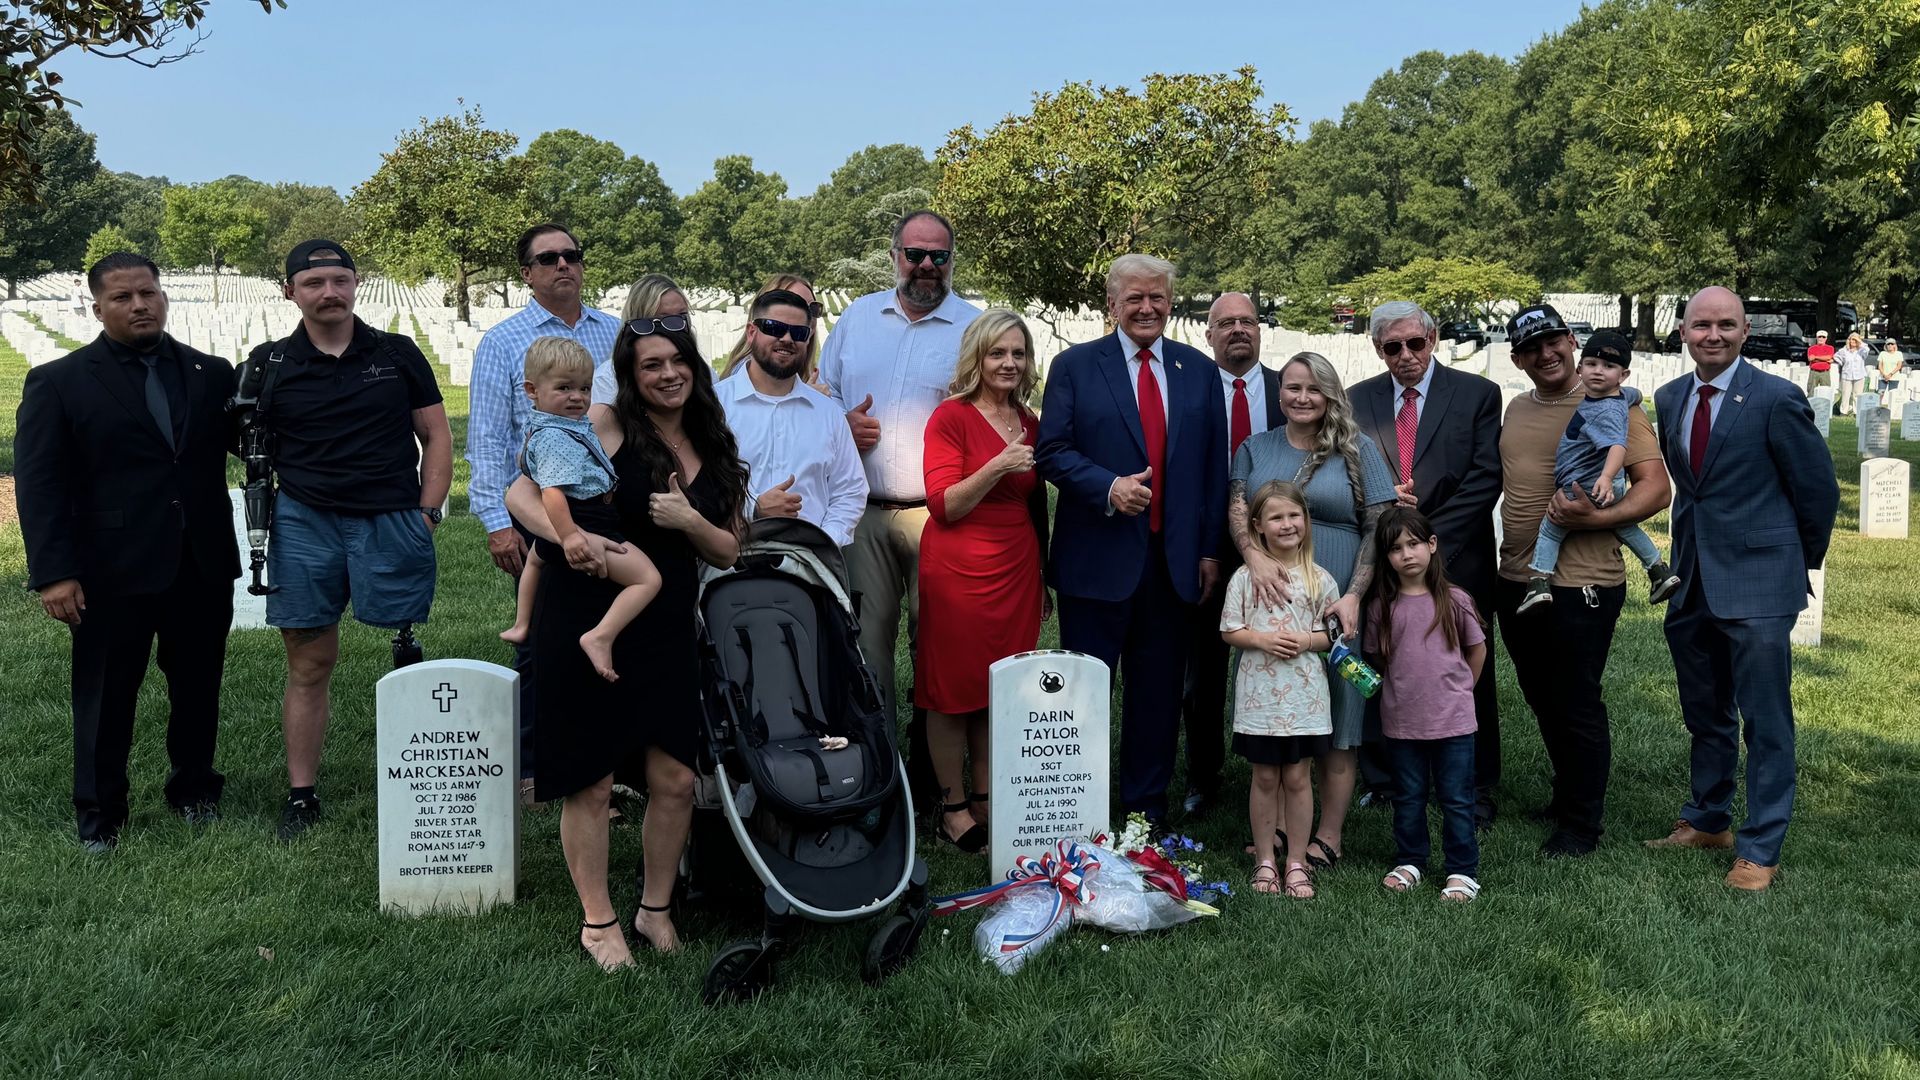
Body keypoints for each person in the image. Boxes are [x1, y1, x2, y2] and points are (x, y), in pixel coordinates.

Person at [505, 318, 746, 969]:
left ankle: (655, 908)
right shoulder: (607, 423)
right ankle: (597, 920)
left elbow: (728, 549)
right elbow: (521, 491)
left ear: (693, 366)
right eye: (650, 365)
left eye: (677, 360)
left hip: (663, 621)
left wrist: (690, 518)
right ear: (631, 376)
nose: (667, 373)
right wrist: (567, 541)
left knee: (672, 776)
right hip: (584, 608)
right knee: (591, 776)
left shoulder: (716, 447)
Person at [16, 252, 240, 852]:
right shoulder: (60, 382)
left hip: (200, 560)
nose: (140, 305)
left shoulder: (210, 372)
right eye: (122, 297)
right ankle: (100, 812)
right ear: (97, 308)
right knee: (106, 692)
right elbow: (39, 486)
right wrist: (54, 573)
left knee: (197, 685)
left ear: (164, 297)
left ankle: (194, 789)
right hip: (109, 568)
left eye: (148, 293)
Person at [248, 239, 452, 840]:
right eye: (314, 284)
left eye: (340, 280)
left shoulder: (396, 353)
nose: (328, 293)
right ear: (290, 292)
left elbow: (435, 434)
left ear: (356, 284)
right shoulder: (269, 364)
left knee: (406, 646)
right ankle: (302, 793)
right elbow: (246, 443)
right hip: (304, 521)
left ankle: (421, 774)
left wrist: (429, 509)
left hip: (390, 515)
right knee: (309, 661)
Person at [1645, 286, 1838, 892]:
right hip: (1692, 580)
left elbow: (1818, 493)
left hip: (1760, 583)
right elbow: (1690, 488)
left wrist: (1791, 564)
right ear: (1683, 332)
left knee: (1766, 720)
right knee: (1704, 711)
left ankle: (1759, 847)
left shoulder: (1777, 398)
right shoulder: (1671, 395)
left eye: (1726, 325)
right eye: (1702, 325)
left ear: (1745, 331)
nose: (1714, 335)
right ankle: (1708, 819)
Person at [1038, 253, 1227, 823]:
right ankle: (1081, 808)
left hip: (1173, 564)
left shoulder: (1196, 370)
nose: (1147, 308)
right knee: (1085, 696)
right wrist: (1108, 485)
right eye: (1134, 298)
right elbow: (1052, 450)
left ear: (1171, 302)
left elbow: (1213, 470)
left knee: (1158, 696)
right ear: (1112, 304)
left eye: (1158, 297)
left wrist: (1210, 549)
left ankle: (1145, 810)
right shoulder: (1074, 366)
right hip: (1096, 558)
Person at [817, 210, 981, 808]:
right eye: (915, 254)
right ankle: (882, 776)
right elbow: (822, 393)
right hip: (862, 509)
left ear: (951, 260)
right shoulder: (858, 318)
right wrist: (841, 421)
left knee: (938, 648)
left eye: (939, 256)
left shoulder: (972, 326)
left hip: (941, 516)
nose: (926, 267)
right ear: (894, 256)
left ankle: (939, 780)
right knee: (869, 646)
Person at [1495, 303, 1671, 858]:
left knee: (1575, 700)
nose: (1546, 354)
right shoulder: (1517, 410)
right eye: (1531, 348)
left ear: (1572, 342)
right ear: (1518, 358)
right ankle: (1565, 791)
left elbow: (1655, 489)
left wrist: (1594, 519)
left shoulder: (1614, 404)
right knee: (1540, 695)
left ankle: (1581, 825)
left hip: (1585, 583)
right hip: (1520, 576)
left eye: (1554, 341)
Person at [467, 224, 622, 793]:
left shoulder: (615, 333)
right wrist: (497, 524)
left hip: (609, 512)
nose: (563, 265)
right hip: (540, 513)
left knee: (613, 635)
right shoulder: (504, 343)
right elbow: (485, 439)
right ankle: (538, 764)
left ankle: (612, 762)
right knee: (546, 646)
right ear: (527, 273)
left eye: (572, 256)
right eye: (548, 258)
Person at [1229, 351, 1395, 866]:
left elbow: (1378, 523)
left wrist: (1354, 593)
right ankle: (1276, 829)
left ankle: (1328, 834)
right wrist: (1254, 558)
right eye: (1292, 388)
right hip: (1272, 594)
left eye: (1313, 389)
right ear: (1279, 393)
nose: (1301, 398)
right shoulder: (1255, 447)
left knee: (1340, 711)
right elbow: (1238, 510)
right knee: (1278, 703)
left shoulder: (1357, 448)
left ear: (1330, 395)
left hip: (1338, 585)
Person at [1349, 300, 1502, 827]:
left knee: (1466, 664)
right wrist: (1391, 532)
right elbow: (1353, 476)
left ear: (1433, 338)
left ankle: (1475, 783)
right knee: (1386, 658)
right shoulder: (1357, 400)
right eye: (1393, 347)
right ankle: (1386, 778)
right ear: (1378, 349)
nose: (1406, 355)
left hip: (1457, 555)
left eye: (1416, 343)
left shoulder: (1478, 393)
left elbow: (1486, 477)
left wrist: (1426, 534)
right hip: (1386, 558)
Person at [916, 309, 1049, 851]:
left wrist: (1045, 574)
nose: (1009, 363)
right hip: (957, 568)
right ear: (978, 357)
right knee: (951, 692)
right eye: (998, 353)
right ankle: (951, 807)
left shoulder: (1032, 422)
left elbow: (1038, 504)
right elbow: (944, 505)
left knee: (999, 690)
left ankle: (987, 798)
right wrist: (998, 464)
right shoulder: (949, 418)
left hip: (1016, 565)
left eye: (1018, 353)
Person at [499, 337, 661, 682]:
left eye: (585, 388)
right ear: (532, 389)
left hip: (577, 516)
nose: (577, 396)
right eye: (564, 388)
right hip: (588, 519)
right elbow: (553, 494)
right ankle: (600, 635)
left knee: (536, 559)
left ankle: (521, 623)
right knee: (647, 578)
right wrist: (571, 536)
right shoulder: (557, 438)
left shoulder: (552, 423)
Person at [1181, 292, 1283, 820]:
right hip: (1208, 546)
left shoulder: (1289, 386)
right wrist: (1203, 545)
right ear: (1209, 334)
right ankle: (1203, 774)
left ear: (1260, 330)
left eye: (1247, 321)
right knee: (1204, 667)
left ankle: (1288, 766)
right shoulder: (1190, 390)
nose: (1239, 330)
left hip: (1281, 543)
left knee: (1287, 653)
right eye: (1226, 323)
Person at [1219, 481, 1338, 900]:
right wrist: (1261, 640)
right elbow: (1229, 628)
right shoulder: (1244, 578)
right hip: (1260, 700)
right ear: (1258, 527)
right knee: (1265, 777)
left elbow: (1333, 636)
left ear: (1306, 521)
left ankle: (1297, 862)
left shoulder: (1319, 578)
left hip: (1305, 700)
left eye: (1294, 515)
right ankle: (1266, 859)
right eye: (1276, 517)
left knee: (1299, 778)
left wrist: (1308, 641)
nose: (1287, 525)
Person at [1367, 506, 1487, 904]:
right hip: (1402, 723)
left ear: (1432, 545)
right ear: (1387, 558)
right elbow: (1378, 658)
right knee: (1409, 796)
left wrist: (1461, 690)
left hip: (1453, 722)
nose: (1407, 554)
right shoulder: (1382, 608)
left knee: (1456, 798)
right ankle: (1411, 860)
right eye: (1397, 548)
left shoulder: (1454, 600)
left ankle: (1461, 870)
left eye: (1414, 543)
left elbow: (1477, 650)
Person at [1518, 331, 1680, 613]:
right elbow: (1633, 395)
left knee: (1551, 529)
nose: (1598, 371)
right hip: (1603, 484)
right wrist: (1635, 395)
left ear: (1623, 374)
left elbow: (1617, 445)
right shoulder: (1620, 397)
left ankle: (1539, 581)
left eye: (1608, 367)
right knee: (1623, 526)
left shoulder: (1603, 411)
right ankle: (1658, 570)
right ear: (1580, 369)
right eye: (1592, 364)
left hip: (1586, 484)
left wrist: (1605, 477)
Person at [719, 289, 867, 545]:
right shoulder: (714, 405)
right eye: (774, 328)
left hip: (809, 563)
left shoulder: (828, 413)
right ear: (751, 332)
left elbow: (850, 490)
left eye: (798, 333)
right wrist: (752, 511)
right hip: (730, 561)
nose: (787, 339)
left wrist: (824, 541)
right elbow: (699, 486)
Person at [589, 273, 691, 426]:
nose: (678, 326)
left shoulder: (703, 373)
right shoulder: (606, 380)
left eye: (682, 315)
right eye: (664, 319)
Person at [719, 273, 823, 381]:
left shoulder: (803, 369)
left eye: (813, 308)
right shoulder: (746, 370)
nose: (805, 314)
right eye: (794, 303)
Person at [1838, 332, 1869, 414]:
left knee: (1857, 394)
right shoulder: (1844, 350)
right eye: (1852, 339)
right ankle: (1844, 411)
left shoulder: (1862, 351)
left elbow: (1866, 349)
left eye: (1855, 339)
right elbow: (1837, 358)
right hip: (1846, 375)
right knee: (1845, 394)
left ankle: (1856, 411)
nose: (1853, 341)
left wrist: (1859, 340)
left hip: (1859, 375)